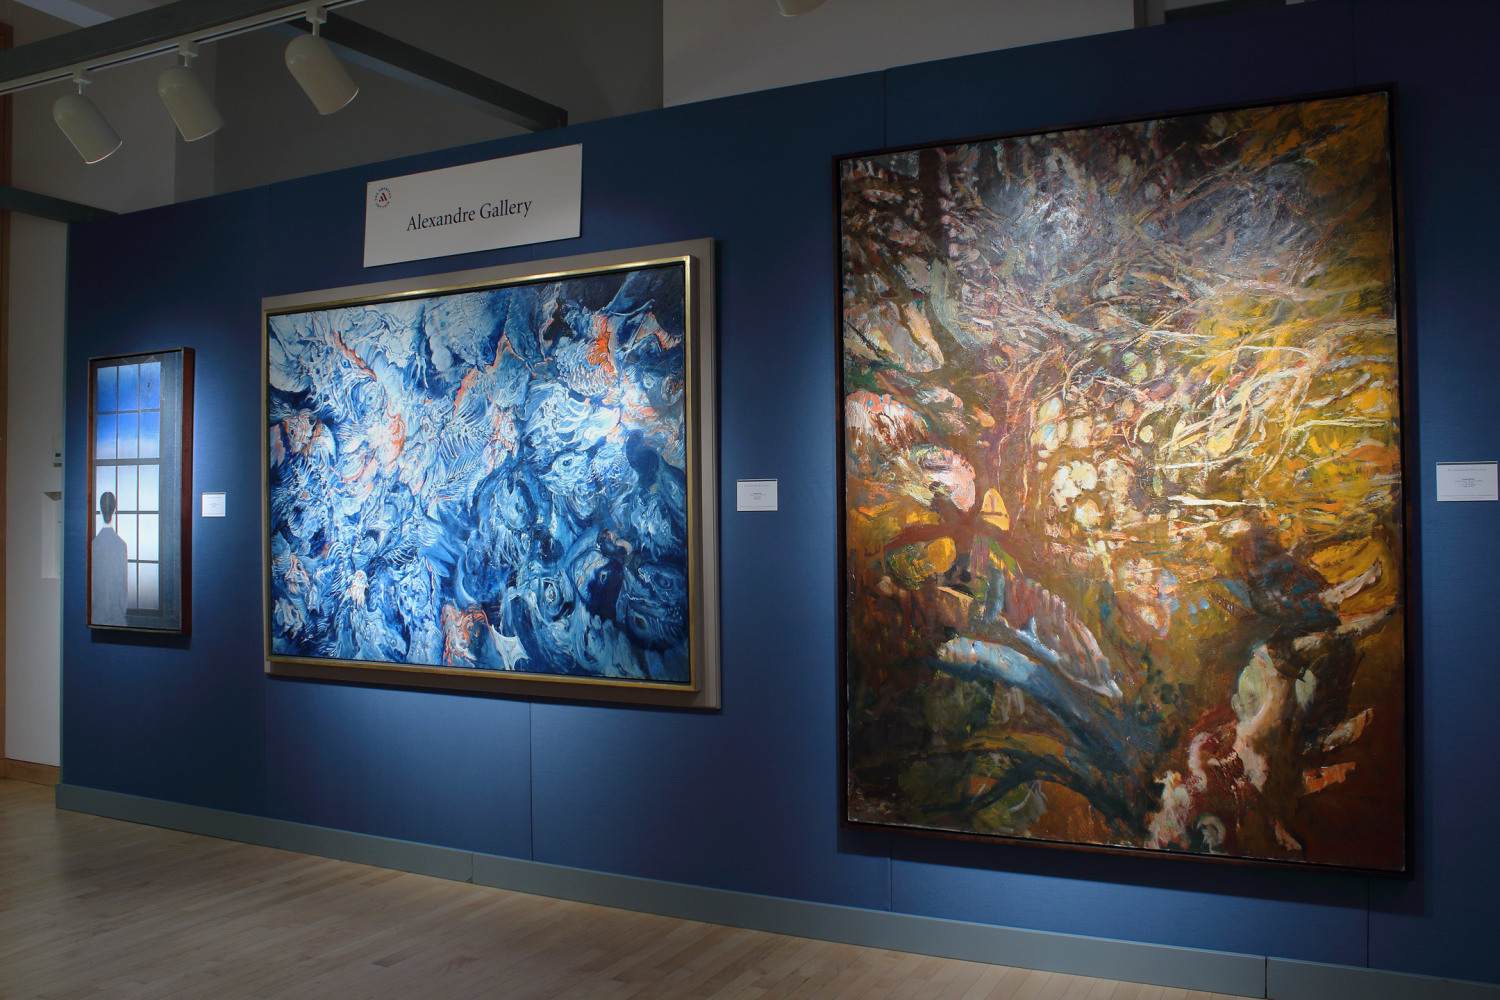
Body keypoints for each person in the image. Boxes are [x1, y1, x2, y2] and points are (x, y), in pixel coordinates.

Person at [92, 491, 128, 626]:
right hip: (116, 615)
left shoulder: (94, 545)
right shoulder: (120, 545)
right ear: (114, 509)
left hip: (96, 615)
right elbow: (123, 590)